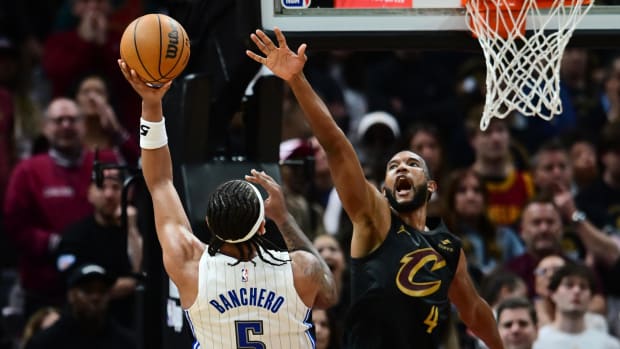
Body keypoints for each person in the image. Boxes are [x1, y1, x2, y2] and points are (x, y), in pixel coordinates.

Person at [246, 27, 504, 349]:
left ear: (432, 186)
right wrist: (297, 80)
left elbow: (476, 311)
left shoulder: (448, 247)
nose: (401, 169)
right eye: (393, 167)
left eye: (412, 164)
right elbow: (337, 146)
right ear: (383, 190)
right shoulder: (375, 219)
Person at [118, 59, 337, 348]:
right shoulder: (300, 269)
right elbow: (329, 294)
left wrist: (151, 104)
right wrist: (284, 218)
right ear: (262, 227)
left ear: (210, 224)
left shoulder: (190, 266)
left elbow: (159, 182)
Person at [3, 97, 116, 319]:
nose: (66, 125)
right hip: (45, 288)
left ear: (83, 125)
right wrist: (56, 244)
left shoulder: (105, 162)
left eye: (72, 120)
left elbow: (143, 179)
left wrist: (117, 131)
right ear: (45, 128)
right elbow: (14, 224)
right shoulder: (28, 171)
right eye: (58, 120)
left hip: (100, 288)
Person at [55, 167, 142, 329]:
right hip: (84, 323)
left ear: (128, 194)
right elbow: (79, 288)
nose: (109, 195)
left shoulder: (137, 230)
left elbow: (142, 273)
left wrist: (132, 229)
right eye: (102, 187)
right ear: (90, 193)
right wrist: (131, 284)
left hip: (129, 322)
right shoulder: (75, 234)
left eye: (116, 188)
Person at [24, 263, 136, 349]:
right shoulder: (47, 342)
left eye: (102, 291)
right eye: (88, 290)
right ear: (71, 295)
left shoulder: (124, 342)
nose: (95, 297)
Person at [533, 264, 620, 349]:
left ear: (591, 297)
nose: (576, 291)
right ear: (553, 294)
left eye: (583, 287)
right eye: (569, 285)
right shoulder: (537, 341)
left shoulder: (609, 345)